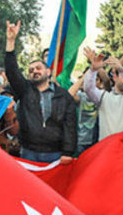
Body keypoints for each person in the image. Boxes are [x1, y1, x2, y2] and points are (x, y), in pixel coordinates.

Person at [5, 20, 76, 164]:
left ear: (48, 72)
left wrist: (68, 152)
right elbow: (12, 71)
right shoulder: (25, 91)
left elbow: (70, 126)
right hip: (28, 152)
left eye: (38, 68)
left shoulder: (63, 96)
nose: (34, 71)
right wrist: (10, 42)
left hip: (55, 154)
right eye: (31, 70)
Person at [83, 47, 123, 140]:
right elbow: (88, 88)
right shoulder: (103, 96)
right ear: (115, 77)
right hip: (106, 148)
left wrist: (122, 70)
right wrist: (93, 70)